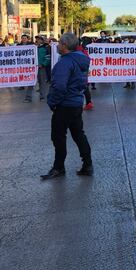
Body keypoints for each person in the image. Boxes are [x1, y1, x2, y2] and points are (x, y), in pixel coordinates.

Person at [41, 32, 93, 179]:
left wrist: (52, 102)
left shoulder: (64, 63)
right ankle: (87, 164)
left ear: (64, 46)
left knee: (58, 137)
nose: (57, 45)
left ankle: (58, 167)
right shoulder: (81, 60)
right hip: (76, 103)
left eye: (59, 43)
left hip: (64, 105)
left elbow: (59, 87)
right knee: (78, 135)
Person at [35, 35, 50, 100]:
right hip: (32, 68)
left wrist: (43, 64)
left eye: (39, 39)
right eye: (37, 39)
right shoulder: (33, 47)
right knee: (31, 82)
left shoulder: (46, 48)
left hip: (41, 68)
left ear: (42, 40)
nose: (37, 40)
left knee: (42, 82)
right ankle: (28, 97)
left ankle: (42, 96)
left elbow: (48, 58)